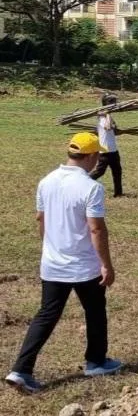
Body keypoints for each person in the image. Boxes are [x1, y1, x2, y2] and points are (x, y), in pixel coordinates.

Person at [5, 134, 122, 393]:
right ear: (91, 156)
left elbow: (40, 219)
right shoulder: (91, 187)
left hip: (52, 264)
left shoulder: (46, 181)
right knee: (95, 311)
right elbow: (96, 230)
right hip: (83, 266)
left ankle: (21, 369)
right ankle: (96, 361)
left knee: (46, 315)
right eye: (97, 156)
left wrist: (49, 248)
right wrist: (107, 264)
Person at [90, 93, 123, 197]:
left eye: (114, 102)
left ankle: (118, 193)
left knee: (117, 171)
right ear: (105, 103)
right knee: (99, 172)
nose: (113, 104)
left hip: (113, 150)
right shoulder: (102, 117)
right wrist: (108, 114)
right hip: (105, 151)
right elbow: (108, 127)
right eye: (111, 102)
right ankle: (81, 182)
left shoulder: (107, 116)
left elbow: (114, 130)